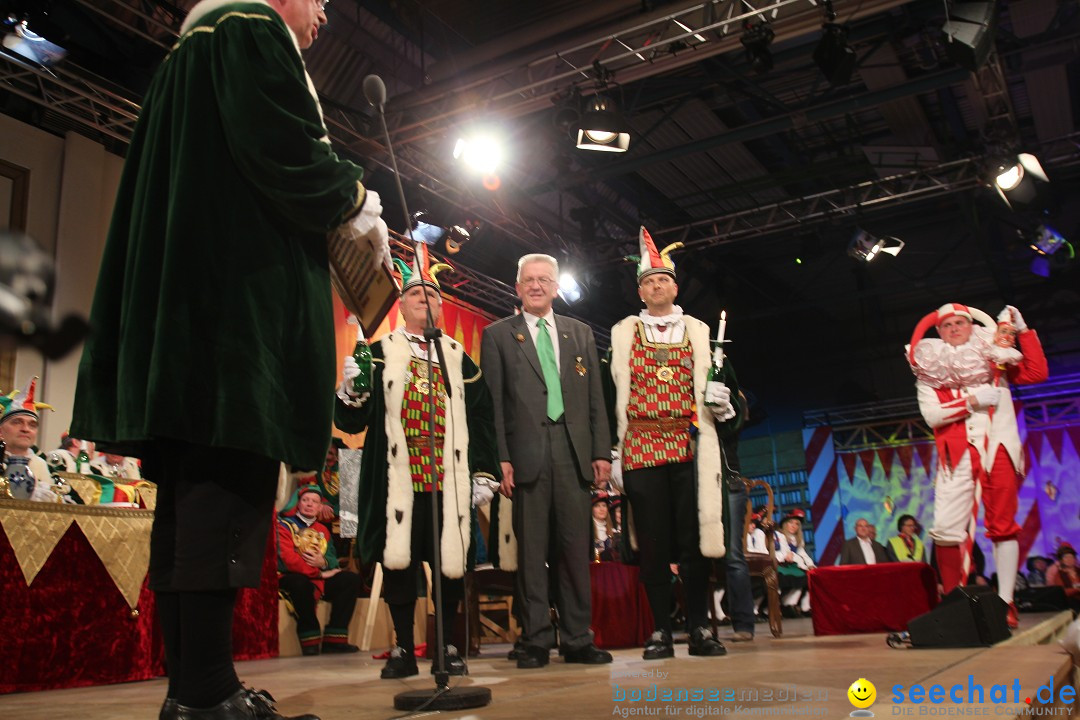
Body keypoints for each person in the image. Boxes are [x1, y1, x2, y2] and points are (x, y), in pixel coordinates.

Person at [68, 0, 389, 715]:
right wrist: (354, 196)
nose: (325, 18)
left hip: (189, 313)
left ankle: (191, 691)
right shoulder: (249, 27)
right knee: (219, 501)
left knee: (188, 513)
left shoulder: (191, 50)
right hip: (234, 315)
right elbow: (281, 146)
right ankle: (208, 694)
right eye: (321, 2)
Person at [335, 246, 501, 679]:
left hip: (448, 475)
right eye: (417, 296)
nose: (425, 302)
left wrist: (483, 471)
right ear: (403, 304)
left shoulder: (458, 357)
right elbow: (350, 418)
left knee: (447, 564)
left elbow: (482, 416)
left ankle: (446, 646)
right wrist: (352, 389)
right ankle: (403, 649)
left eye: (433, 297)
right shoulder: (380, 351)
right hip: (396, 477)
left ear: (441, 307)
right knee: (400, 562)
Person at [606, 227, 739, 659]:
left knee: (693, 540)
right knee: (654, 544)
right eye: (648, 281)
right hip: (641, 447)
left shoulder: (701, 332)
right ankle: (661, 630)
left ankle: (699, 627)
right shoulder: (623, 333)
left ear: (675, 286)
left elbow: (729, 387)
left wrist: (725, 403)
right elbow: (610, 397)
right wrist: (612, 452)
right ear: (639, 290)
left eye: (662, 279)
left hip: (690, 444)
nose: (656, 286)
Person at [480, 253, 613, 669]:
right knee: (533, 553)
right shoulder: (498, 335)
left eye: (544, 280)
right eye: (528, 280)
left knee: (576, 551)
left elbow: (596, 400)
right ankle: (535, 640)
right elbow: (493, 406)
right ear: (517, 287)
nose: (536, 286)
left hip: (574, 453)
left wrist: (600, 452)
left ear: (556, 287)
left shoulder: (580, 333)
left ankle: (577, 639)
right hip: (525, 457)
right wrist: (499, 456)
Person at [907, 303, 1048, 628]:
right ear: (938, 333)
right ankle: (954, 606)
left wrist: (1023, 332)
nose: (954, 328)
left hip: (997, 448)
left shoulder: (996, 359)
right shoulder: (929, 373)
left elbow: (1037, 373)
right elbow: (932, 416)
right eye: (947, 325)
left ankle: (1006, 603)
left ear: (972, 326)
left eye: (960, 322)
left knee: (1003, 526)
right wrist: (972, 402)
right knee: (945, 529)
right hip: (954, 456)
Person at [276, 485, 362, 656]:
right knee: (300, 584)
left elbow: (331, 558)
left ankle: (335, 639)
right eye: (305, 500)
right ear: (298, 504)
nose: (309, 504)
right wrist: (319, 573)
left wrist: (323, 562)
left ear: (319, 507)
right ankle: (310, 639)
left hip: (318, 578)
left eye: (314, 501)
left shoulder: (322, 529)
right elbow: (288, 560)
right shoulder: (284, 526)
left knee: (350, 580)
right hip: (291, 577)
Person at [0, 377, 56, 501]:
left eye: (32, 425)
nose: (26, 429)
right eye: (17, 422)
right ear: (0, 431)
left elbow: (75, 503)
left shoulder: (46, 466)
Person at [775, 509, 815, 615]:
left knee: (810, 578)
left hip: (794, 566)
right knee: (800, 579)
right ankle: (786, 604)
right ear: (785, 523)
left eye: (797, 524)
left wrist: (811, 565)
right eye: (791, 523)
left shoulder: (798, 540)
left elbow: (803, 554)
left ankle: (804, 606)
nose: (794, 526)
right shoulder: (779, 536)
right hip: (782, 565)